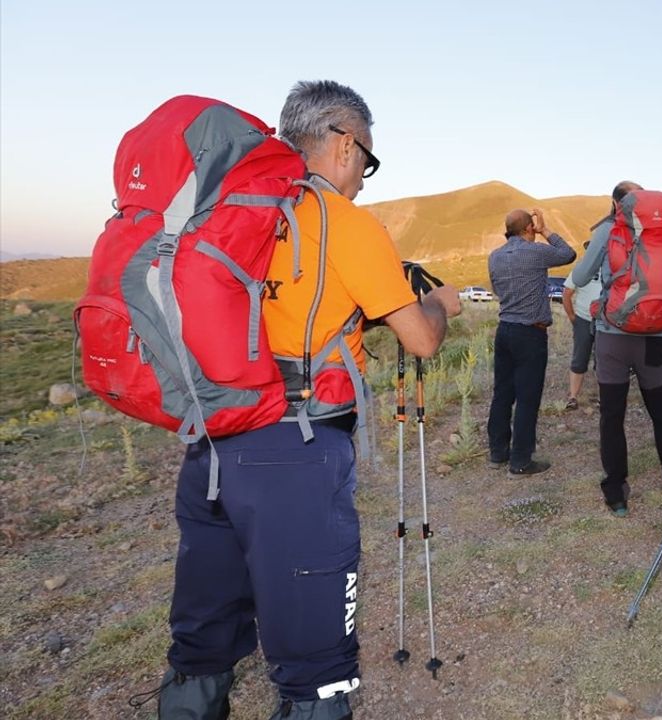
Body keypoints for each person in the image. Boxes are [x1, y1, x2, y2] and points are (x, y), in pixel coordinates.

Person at [155, 80, 461, 720]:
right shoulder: (343, 222)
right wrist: (439, 303)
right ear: (345, 144)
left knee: (206, 616)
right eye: (367, 161)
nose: (363, 180)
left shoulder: (227, 209)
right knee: (314, 639)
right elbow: (422, 339)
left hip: (212, 434)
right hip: (294, 442)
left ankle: (189, 704)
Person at [569, 181, 662, 516]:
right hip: (654, 337)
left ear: (616, 204)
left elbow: (580, 277)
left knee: (612, 416)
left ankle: (617, 494)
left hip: (613, 336)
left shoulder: (608, 231)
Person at [486, 208, 576, 475]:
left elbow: (496, 289)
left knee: (502, 393)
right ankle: (521, 461)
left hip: (505, 329)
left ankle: (498, 452)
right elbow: (568, 254)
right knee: (527, 397)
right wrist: (545, 230)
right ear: (528, 228)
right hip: (530, 333)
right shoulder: (535, 252)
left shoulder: (495, 256)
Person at [561, 240, 601, 410]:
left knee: (604, 360)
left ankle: (604, 397)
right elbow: (567, 292)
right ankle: (573, 397)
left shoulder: (612, 268)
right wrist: (572, 316)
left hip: (605, 320)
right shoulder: (581, 269)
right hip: (584, 318)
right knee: (579, 358)